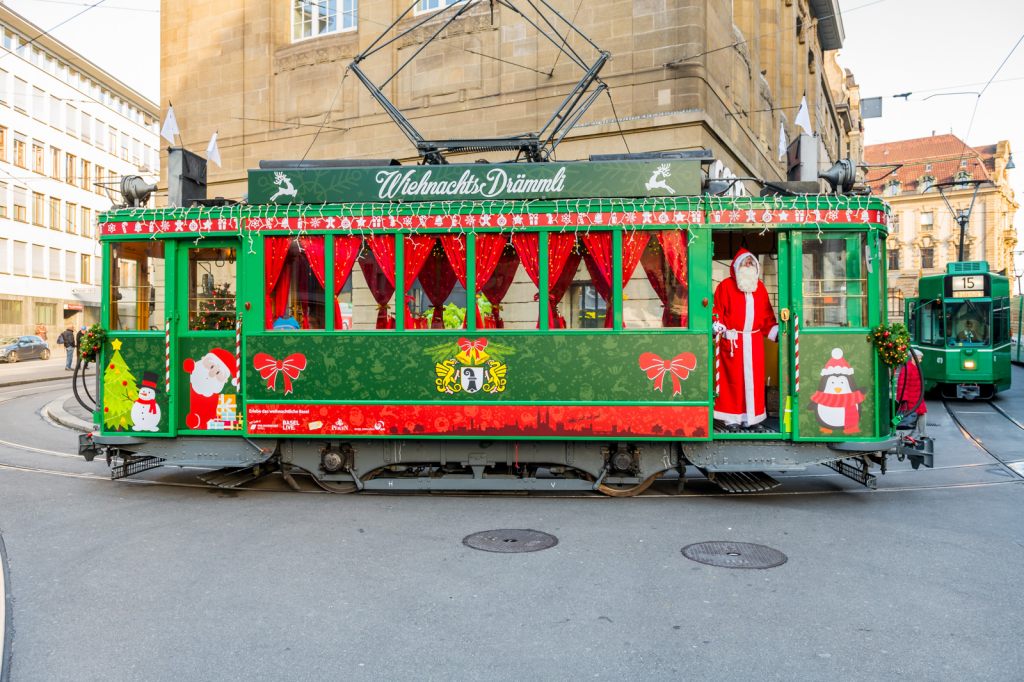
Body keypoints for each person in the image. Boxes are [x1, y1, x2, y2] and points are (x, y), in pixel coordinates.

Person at [712, 249, 779, 430]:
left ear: (756, 267)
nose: (748, 266)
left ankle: (752, 419)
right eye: (745, 263)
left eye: (751, 263)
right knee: (733, 381)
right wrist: (719, 325)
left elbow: (766, 315)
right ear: (736, 266)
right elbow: (717, 310)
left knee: (755, 381)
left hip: (754, 341)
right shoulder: (725, 286)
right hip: (732, 341)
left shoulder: (761, 288)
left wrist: (774, 330)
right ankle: (731, 419)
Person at [896, 348, 927, 437]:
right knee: (902, 414)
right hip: (911, 398)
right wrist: (904, 399)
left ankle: (922, 434)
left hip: (916, 398)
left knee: (921, 414)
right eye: (920, 358)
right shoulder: (908, 368)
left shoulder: (914, 367)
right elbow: (902, 384)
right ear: (914, 358)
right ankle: (892, 426)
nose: (920, 361)